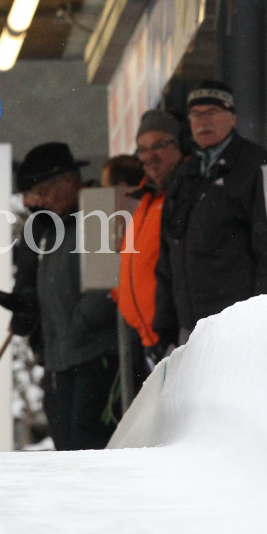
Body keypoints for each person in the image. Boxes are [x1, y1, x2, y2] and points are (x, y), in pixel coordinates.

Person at [154, 81, 267, 347]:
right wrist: (164, 324)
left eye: (212, 112)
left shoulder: (258, 166)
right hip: (189, 329)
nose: (203, 120)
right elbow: (166, 256)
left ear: (233, 119)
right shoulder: (182, 176)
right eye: (196, 114)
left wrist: (261, 319)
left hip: (238, 325)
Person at [17, 143, 118, 450]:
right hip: (59, 360)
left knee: (89, 444)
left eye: (44, 191)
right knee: (66, 448)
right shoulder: (49, 227)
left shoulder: (98, 215)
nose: (40, 201)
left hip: (96, 355)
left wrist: (81, 322)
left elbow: (107, 280)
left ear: (68, 181)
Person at [114, 110, 187, 380]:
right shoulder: (147, 199)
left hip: (175, 333)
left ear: (180, 146)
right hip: (148, 338)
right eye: (142, 149)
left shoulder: (183, 195)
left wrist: (168, 328)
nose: (149, 156)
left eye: (159, 145)